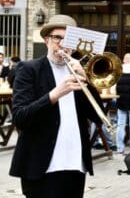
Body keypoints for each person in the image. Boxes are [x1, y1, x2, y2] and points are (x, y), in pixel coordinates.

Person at [9, 14, 105, 198]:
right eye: (57, 38)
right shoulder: (29, 69)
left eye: (68, 39)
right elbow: (20, 118)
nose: (62, 44)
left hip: (75, 164)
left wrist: (87, 81)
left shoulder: (78, 71)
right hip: (41, 165)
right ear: (46, 40)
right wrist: (54, 94)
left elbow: (97, 116)